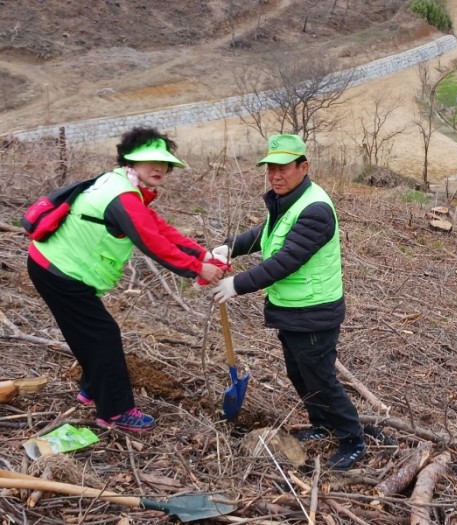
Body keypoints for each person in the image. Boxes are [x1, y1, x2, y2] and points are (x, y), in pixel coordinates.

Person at [27, 127, 225, 432]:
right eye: (150, 161)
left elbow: (159, 228)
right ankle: (116, 411)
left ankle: (92, 390)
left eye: (164, 163)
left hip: (56, 268)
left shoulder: (123, 184)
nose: (159, 168)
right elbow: (152, 242)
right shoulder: (123, 196)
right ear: (131, 162)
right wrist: (197, 269)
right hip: (60, 272)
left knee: (91, 333)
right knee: (103, 335)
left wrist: (203, 256)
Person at [211, 133, 365, 471]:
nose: (275, 176)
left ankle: (352, 439)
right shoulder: (289, 201)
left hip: (314, 311)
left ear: (303, 167)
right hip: (291, 309)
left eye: (283, 168)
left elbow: (286, 260)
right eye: (270, 169)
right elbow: (267, 232)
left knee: (321, 377)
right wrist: (230, 247)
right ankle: (321, 423)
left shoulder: (315, 209)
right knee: (299, 372)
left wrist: (237, 283)